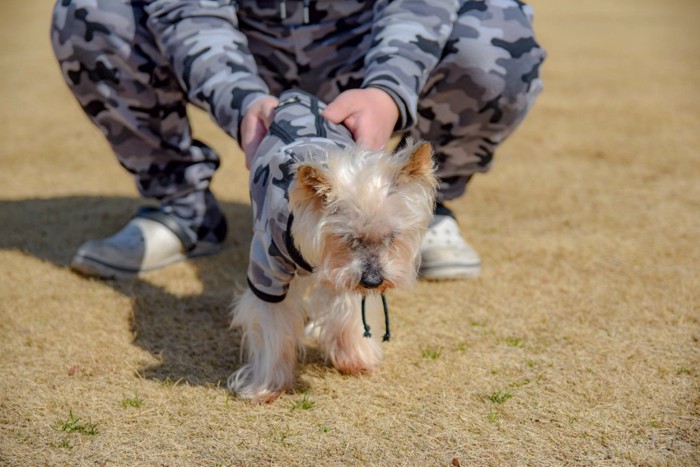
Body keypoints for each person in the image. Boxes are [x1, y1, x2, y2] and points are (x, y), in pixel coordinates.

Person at [50, 0, 545, 280]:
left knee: (499, 32)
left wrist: (389, 89)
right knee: (91, 12)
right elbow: (187, 11)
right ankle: (181, 208)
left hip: (369, 42)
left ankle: (413, 209)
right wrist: (239, 98)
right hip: (245, 45)